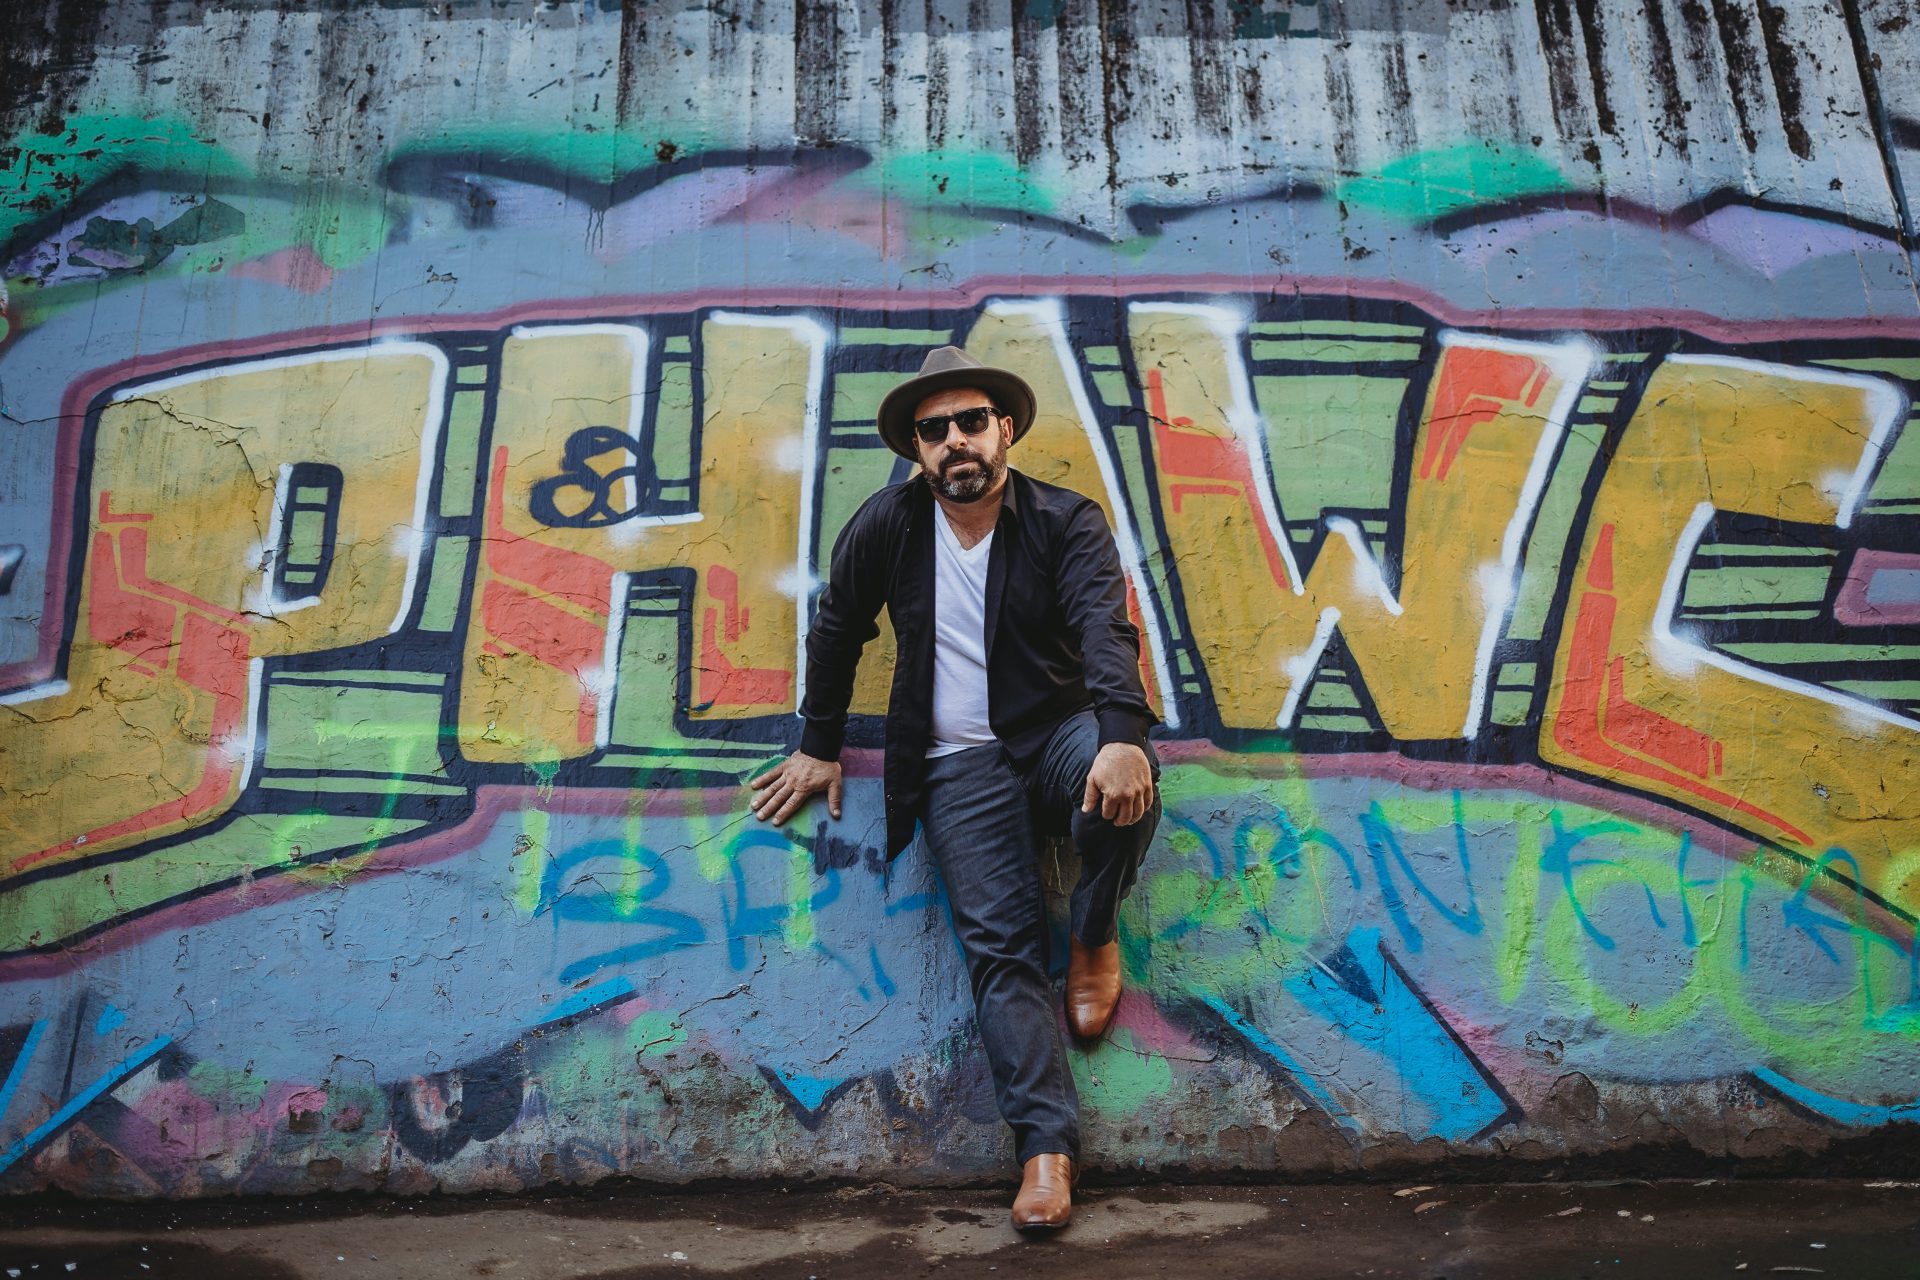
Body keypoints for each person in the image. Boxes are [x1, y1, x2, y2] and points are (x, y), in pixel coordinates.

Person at [748, 345, 1162, 1232]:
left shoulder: (1063, 520)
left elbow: (1105, 630)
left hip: (1056, 734)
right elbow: (838, 625)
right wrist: (819, 744)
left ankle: (1094, 930)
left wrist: (1123, 736)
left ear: (1004, 429)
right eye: (933, 431)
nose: (954, 442)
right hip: (954, 765)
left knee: (1130, 782)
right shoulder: (889, 524)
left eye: (971, 422)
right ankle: (1045, 1153)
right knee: (1002, 953)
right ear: (918, 449)